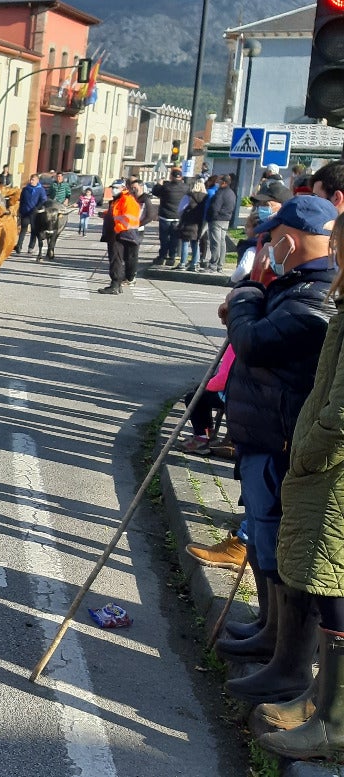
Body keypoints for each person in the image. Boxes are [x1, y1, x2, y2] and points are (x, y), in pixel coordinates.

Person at [213, 195, 339, 714]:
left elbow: (256, 343)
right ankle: (270, 632)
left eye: (272, 238)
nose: (266, 247)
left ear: (289, 240)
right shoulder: (294, 287)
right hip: (268, 432)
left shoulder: (314, 296)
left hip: (289, 439)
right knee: (267, 535)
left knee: (290, 549)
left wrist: (244, 299)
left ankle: (290, 664)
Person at [261, 204, 344, 760]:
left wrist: (309, 452)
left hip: (334, 474)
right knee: (327, 582)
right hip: (328, 470)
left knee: (336, 589)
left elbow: (341, 411)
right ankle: (321, 701)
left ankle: (333, 725)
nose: (335, 250)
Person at [97, 182, 141, 294]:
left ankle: (115, 285)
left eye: (116, 188)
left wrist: (117, 228)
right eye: (112, 188)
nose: (113, 190)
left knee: (116, 259)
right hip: (117, 233)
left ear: (123, 188)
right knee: (116, 259)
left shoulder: (126, 199)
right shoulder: (118, 199)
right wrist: (106, 214)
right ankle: (117, 284)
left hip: (120, 233)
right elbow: (116, 213)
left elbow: (128, 218)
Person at [152, 169, 189, 264]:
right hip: (178, 217)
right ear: (180, 177)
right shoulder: (186, 187)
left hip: (165, 216)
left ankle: (163, 256)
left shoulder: (166, 187)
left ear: (171, 176)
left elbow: (155, 192)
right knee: (175, 238)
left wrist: (158, 183)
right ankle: (172, 256)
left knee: (164, 238)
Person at [204, 174, 238, 273]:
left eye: (219, 181)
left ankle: (213, 264)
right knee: (222, 242)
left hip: (217, 220)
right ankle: (220, 264)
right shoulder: (232, 193)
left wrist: (211, 217)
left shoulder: (220, 193)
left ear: (224, 183)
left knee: (215, 242)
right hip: (226, 219)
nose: (217, 183)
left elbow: (215, 207)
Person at [15, 174, 48, 253]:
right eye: (31, 180)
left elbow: (43, 200)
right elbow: (22, 200)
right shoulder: (25, 189)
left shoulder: (40, 190)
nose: (31, 181)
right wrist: (20, 210)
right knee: (23, 229)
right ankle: (19, 246)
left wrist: (37, 208)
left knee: (34, 230)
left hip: (35, 213)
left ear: (37, 180)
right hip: (25, 212)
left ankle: (31, 247)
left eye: (33, 180)